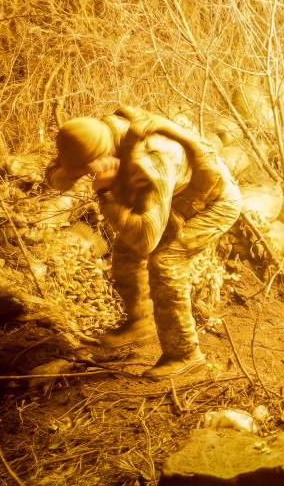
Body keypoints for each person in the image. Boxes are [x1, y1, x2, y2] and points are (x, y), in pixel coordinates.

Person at [45, 105, 242, 379]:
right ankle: (140, 323)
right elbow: (56, 176)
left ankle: (184, 353)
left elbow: (147, 240)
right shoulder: (96, 134)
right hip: (174, 198)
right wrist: (76, 173)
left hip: (213, 204)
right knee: (126, 251)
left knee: (165, 262)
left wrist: (107, 194)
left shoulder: (152, 158)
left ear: (105, 155)